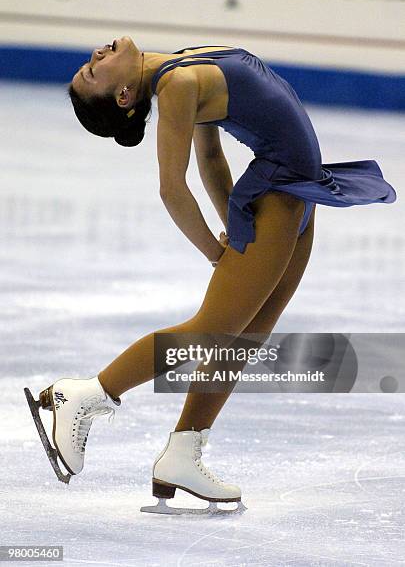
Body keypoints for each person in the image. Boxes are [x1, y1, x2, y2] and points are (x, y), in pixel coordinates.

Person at [26, 37, 396, 514]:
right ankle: (84, 395)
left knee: (242, 339)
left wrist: (233, 234)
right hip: (276, 195)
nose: (95, 56)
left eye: (90, 62)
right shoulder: (177, 85)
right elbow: (171, 188)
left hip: (298, 194)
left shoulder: (183, 63)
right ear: (123, 97)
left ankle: (183, 450)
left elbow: (213, 159)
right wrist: (215, 252)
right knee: (208, 332)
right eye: (93, 70)